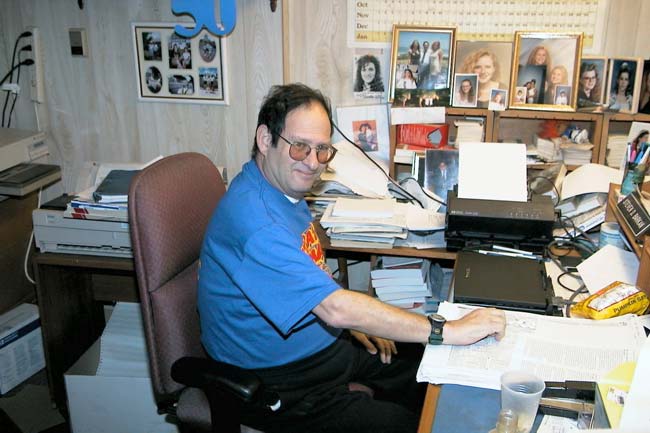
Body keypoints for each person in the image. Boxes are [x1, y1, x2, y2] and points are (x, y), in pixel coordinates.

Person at [197, 83, 506, 433]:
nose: (312, 163)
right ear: (265, 139)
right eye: (299, 147)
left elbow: (315, 284)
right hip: (279, 381)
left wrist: (356, 322)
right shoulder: (256, 222)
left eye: (322, 150)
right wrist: (445, 329)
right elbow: (334, 307)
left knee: (439, 376)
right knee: (413, 425)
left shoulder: (280, 190)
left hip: (324, 347)